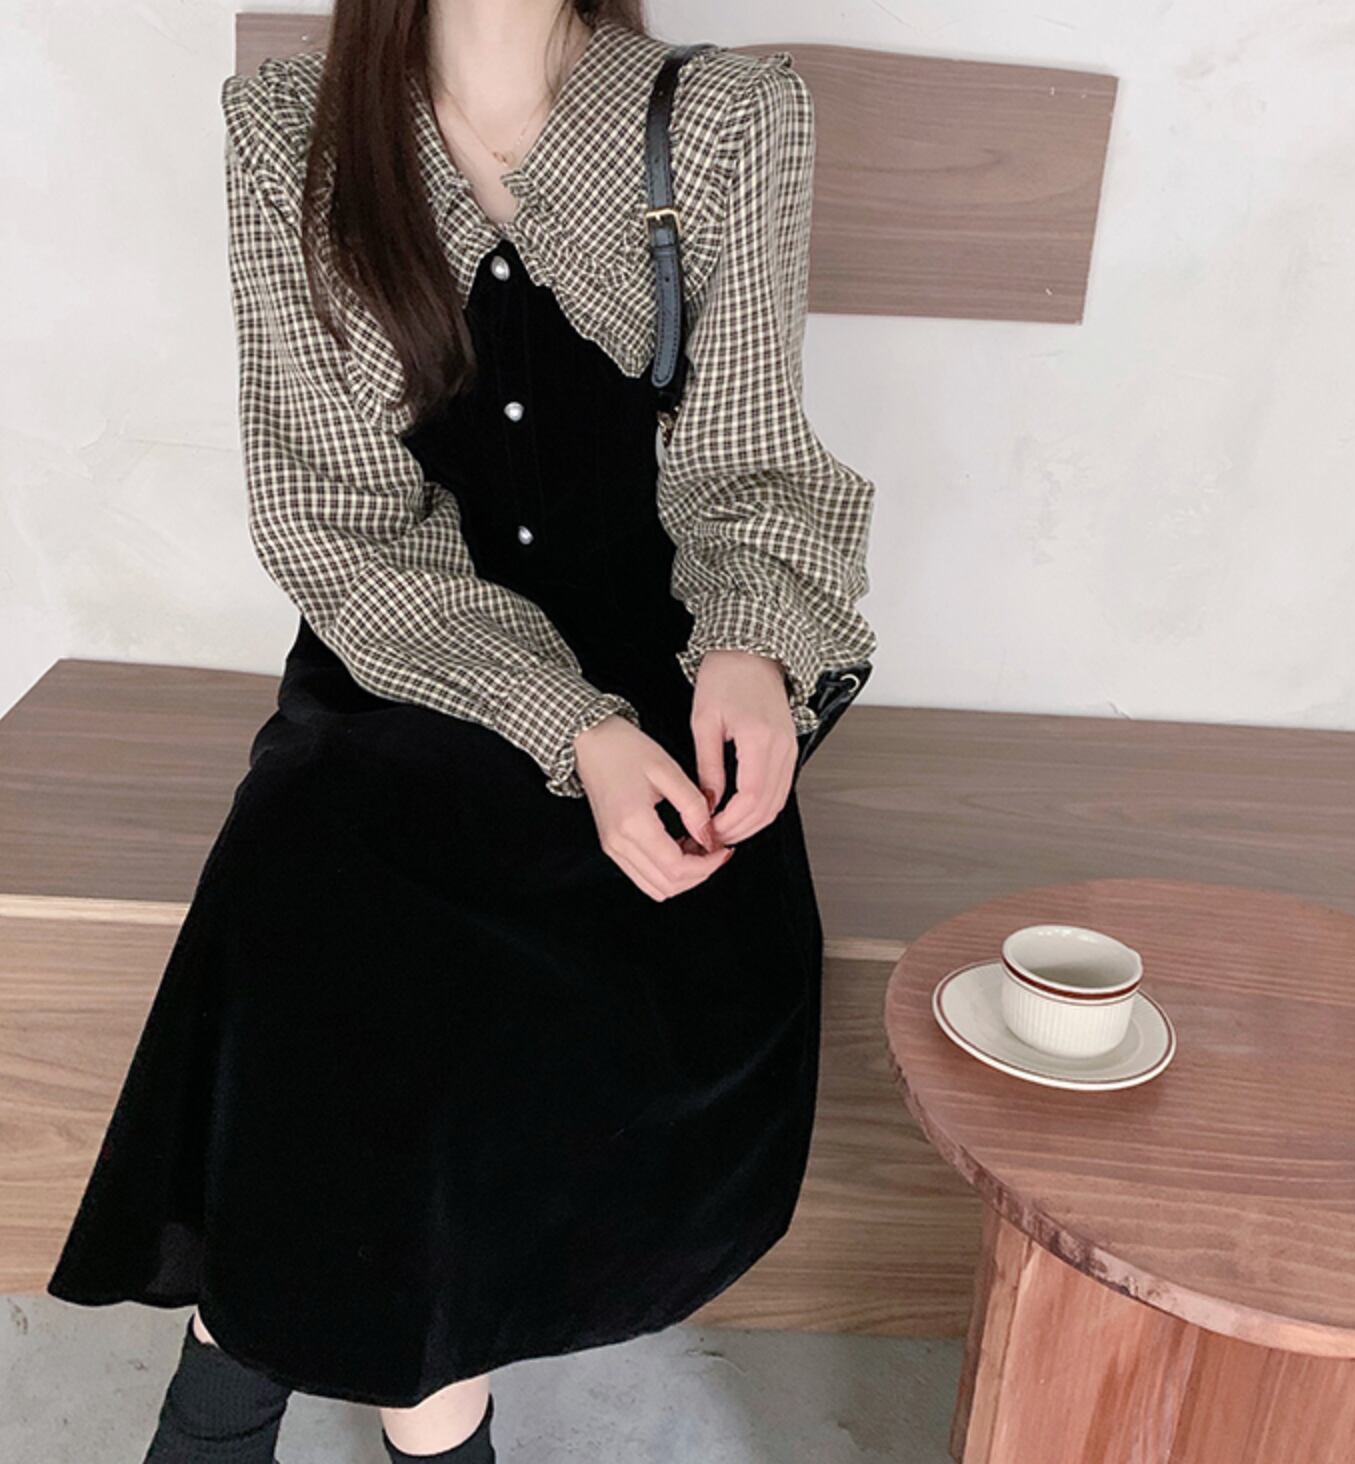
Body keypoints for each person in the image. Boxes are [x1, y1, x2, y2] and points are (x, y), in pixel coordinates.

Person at [44, 2, 879, 1459]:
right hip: (409, 646)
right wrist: (570, 729)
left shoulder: (731, 120)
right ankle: (433, 1431)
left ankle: (226, 1383)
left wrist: (752, 650)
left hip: (668, 662)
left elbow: (747, 467)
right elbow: (338, 520)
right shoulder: (291, 140)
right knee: (324, 882)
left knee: (410, 982)